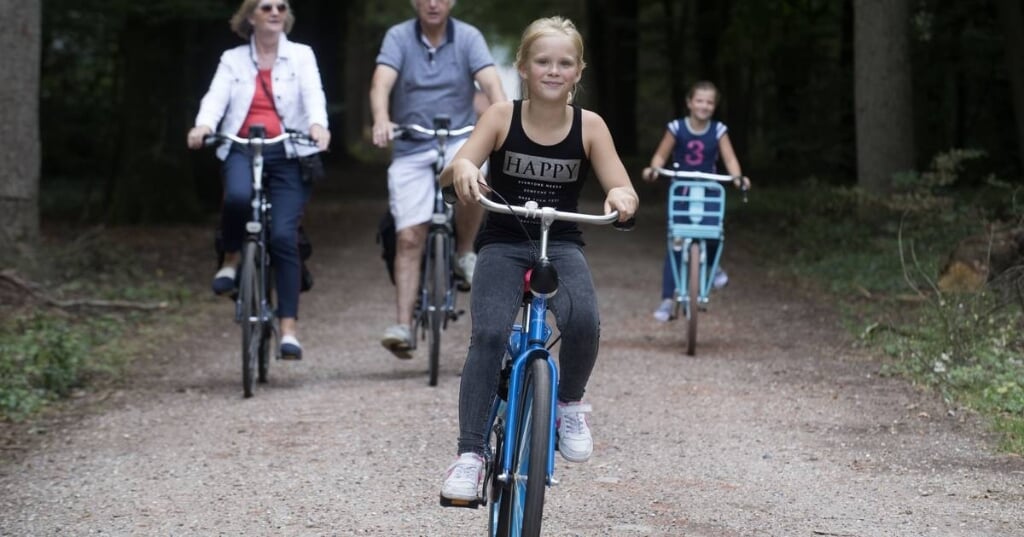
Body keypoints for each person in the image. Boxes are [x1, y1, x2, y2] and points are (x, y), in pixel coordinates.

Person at [437, 16, 639, 501]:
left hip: (563, 242)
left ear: (578, 70)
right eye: (543, 61)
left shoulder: (589, 126)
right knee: (487, 334)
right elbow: (457, 168)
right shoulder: (502, 116)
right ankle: (470, 455)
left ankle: (568, 403)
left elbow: (620, 183)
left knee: (584, 319)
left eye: (564, 62)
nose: (553, 70)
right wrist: (463, 169)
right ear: (523, 67)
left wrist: (624, 198)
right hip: (503, 241)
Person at [186, 0, 330, 360]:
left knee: (284, 236)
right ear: (251, 17)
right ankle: (232, 258)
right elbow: (215, 98)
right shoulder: (233, 60)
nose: (275, 12)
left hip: (288, 151)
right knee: (236, 198)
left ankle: (288, 329)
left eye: (281, 7)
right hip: (242, 147)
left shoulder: (301, 56)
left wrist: (318, 126)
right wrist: (204, 125)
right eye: (266, 7)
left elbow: (314, 96)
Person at [370, 0, 508, 359]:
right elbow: (381, 84)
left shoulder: (468, 37)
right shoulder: (398, 37)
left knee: (475, 178)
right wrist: (382, 117)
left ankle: (464, 251)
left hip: (460, 138)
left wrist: (505, 123)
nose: (433, 3)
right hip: (411, 144)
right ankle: (403, 323)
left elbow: (492, 85)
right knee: (408, 237)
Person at [641, 80, 751, 322]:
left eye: (709, 102)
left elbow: (730, 160)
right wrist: (654, 169)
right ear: (690, 103)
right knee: (676, 242)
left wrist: (738, 178)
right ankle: (668, 300)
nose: (704, 105)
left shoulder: (719, 130)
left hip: (709, 191)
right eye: (699, 100)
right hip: (682, 192)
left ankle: (713, 269)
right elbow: (661, 155)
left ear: (714, 106)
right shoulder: (677, 128)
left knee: (713, 234)